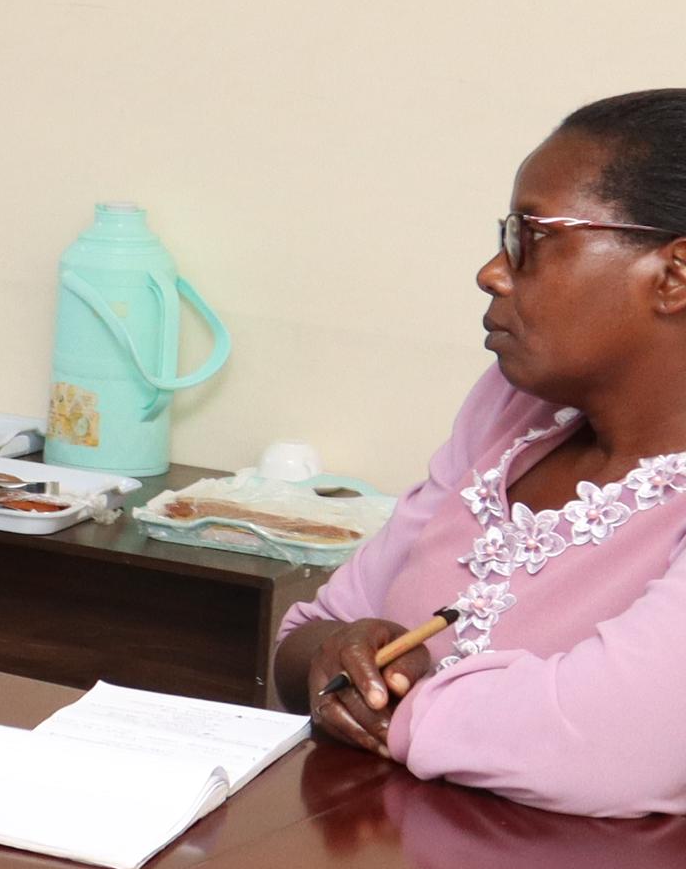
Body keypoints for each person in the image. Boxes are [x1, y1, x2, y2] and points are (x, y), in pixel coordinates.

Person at [289, 92, 686, 817]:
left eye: (530, 237)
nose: (492, 271)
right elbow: (308, 634)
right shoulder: (513, 409)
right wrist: (338, 655)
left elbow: (610, 746)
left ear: (674, 275)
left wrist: (386, 706)